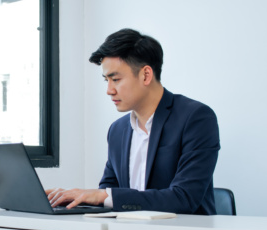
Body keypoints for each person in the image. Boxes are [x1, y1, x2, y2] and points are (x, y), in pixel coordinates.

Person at [46, 28, 220, 215]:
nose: (109, 90)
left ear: (145, 75)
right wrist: (72, 199)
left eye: (116, 79)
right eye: (106, 80)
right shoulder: (117, 130)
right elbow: (107, 193)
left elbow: (184, 198)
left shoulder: (196, 118)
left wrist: (103, 196)